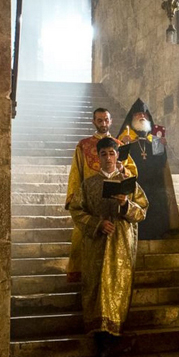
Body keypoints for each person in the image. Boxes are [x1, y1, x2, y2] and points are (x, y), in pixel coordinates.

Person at [69, 137, 148, 357]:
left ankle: (114, 335)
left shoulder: (129, 184)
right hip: (96, 243)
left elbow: (142, 211)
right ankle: (100, 338)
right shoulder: (88, 184)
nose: (108, 158)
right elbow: (76, 210)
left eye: (112, 153)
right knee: (97, 285)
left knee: (117, 285)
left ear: (117, 156)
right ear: (98, 157)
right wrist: (97, 224)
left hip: (121, 243)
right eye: (103, 154)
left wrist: (125, 204)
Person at [65, 108, 137, 282]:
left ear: (111, 121)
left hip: (115, 201)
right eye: (99, 120)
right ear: (93, 122)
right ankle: (84, 275)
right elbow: (76, 172)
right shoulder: (83, 145)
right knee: (83, 238)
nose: (103, 123)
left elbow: (133, 173)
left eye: (106, 120)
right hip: (90, 200)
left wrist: (123, 169)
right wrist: (74, 198)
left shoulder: (119, 145)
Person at [117, 98, 179, 239]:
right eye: (138, 114)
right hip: (135, 182)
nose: (141, 116)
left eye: (144, 115)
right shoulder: (123, 138)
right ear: (132, 118)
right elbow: (118, 162)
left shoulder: (155, 139)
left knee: (158, 201)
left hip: (154, 183)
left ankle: (159, 231)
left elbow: (162, 163)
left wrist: (162, 147)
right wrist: (123, 145)